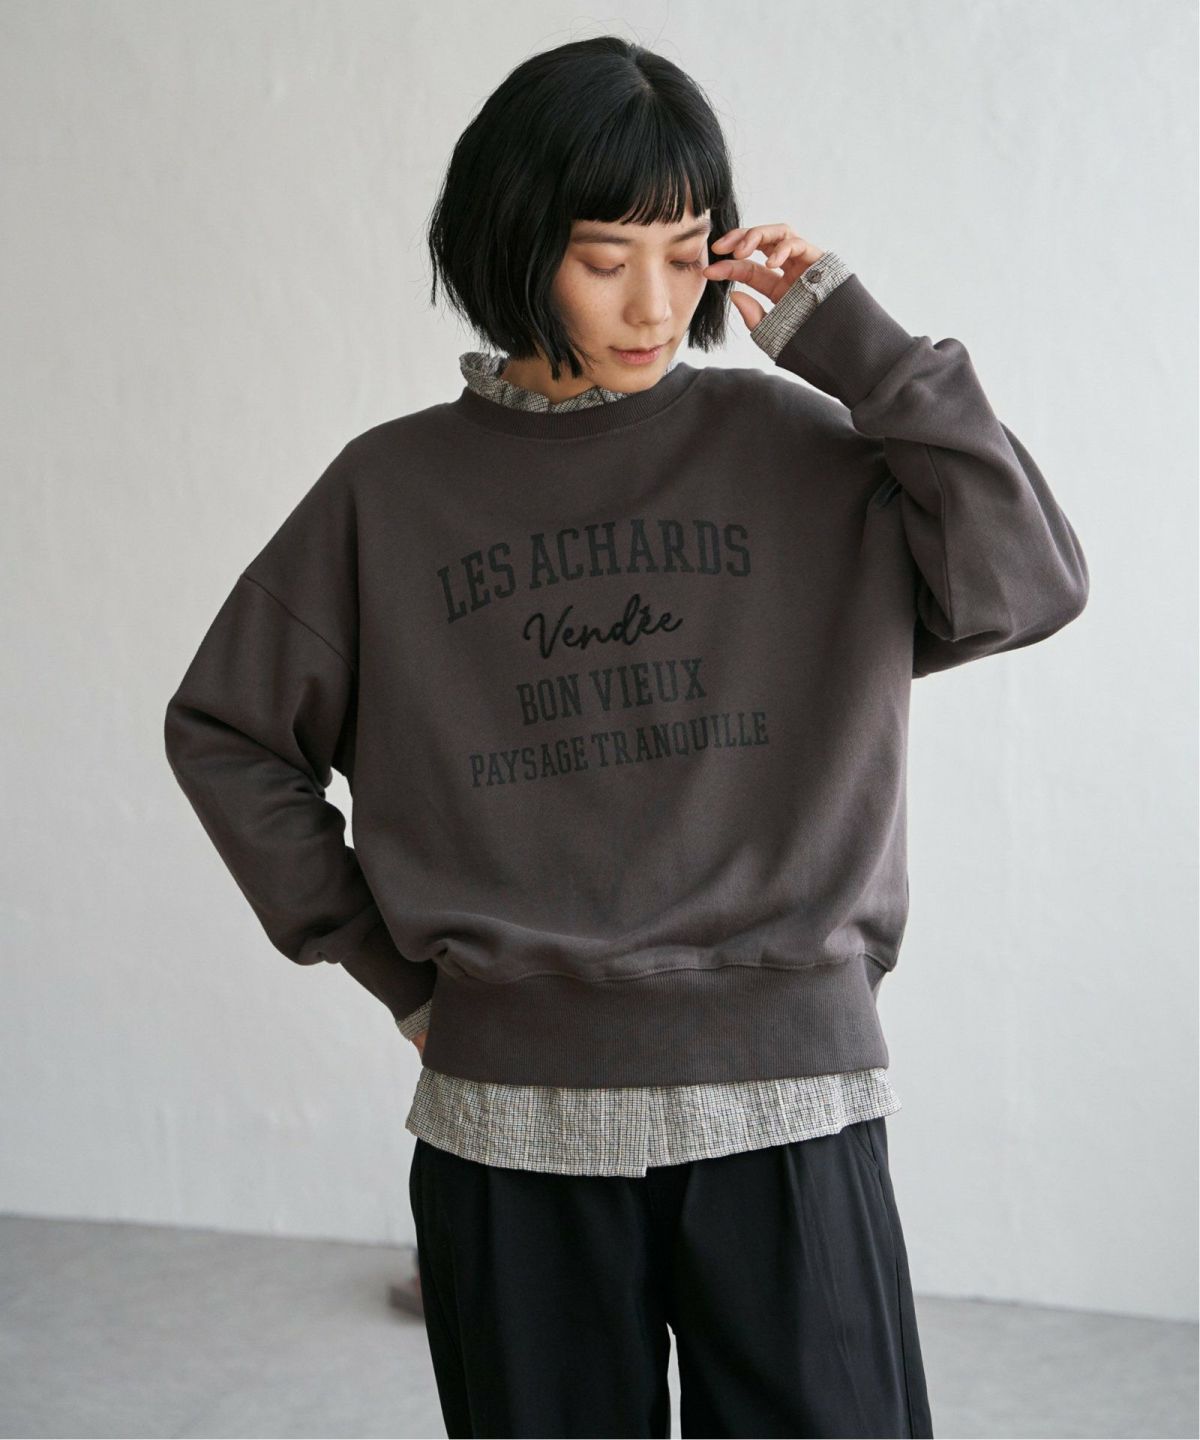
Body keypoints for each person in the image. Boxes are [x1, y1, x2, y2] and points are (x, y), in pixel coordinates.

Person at [163, 33, 1089, 1440]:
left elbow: (1028, 584)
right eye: (606, 258)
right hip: (510, 1119)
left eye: (684, 250)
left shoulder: (799, 448)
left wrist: (862, 348)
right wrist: (392, 974)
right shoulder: (388, 493)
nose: (655, 303)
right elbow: (228, 732)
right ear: (514, 242)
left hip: (790, 1103)